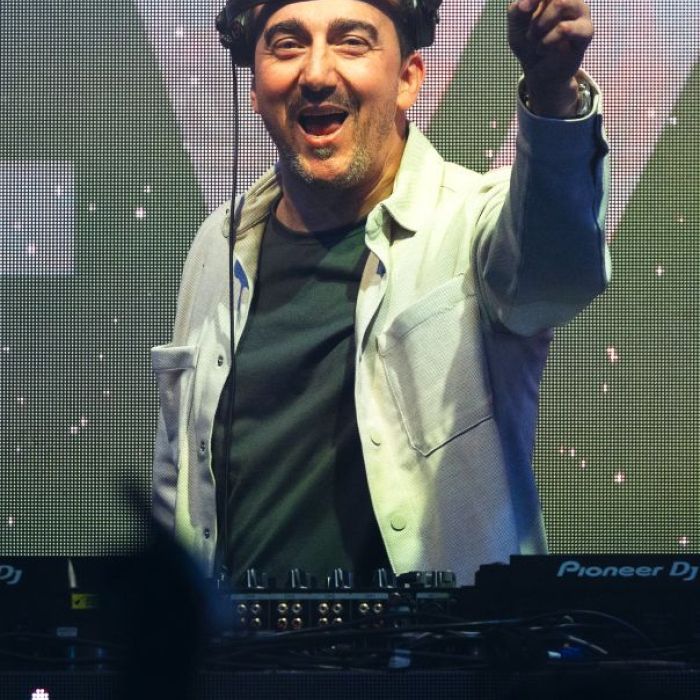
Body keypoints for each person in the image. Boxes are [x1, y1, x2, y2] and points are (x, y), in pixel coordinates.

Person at [152, 0, 610, 586]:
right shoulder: (217, 243)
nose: (316, 73)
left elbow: (555, 278)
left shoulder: (476, 219)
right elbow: (180, 479)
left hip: (440, 644)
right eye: (288, 44)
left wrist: (552, 97)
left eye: (352, 42)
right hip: (236, 645)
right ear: (255, 86)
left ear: (408, 80)